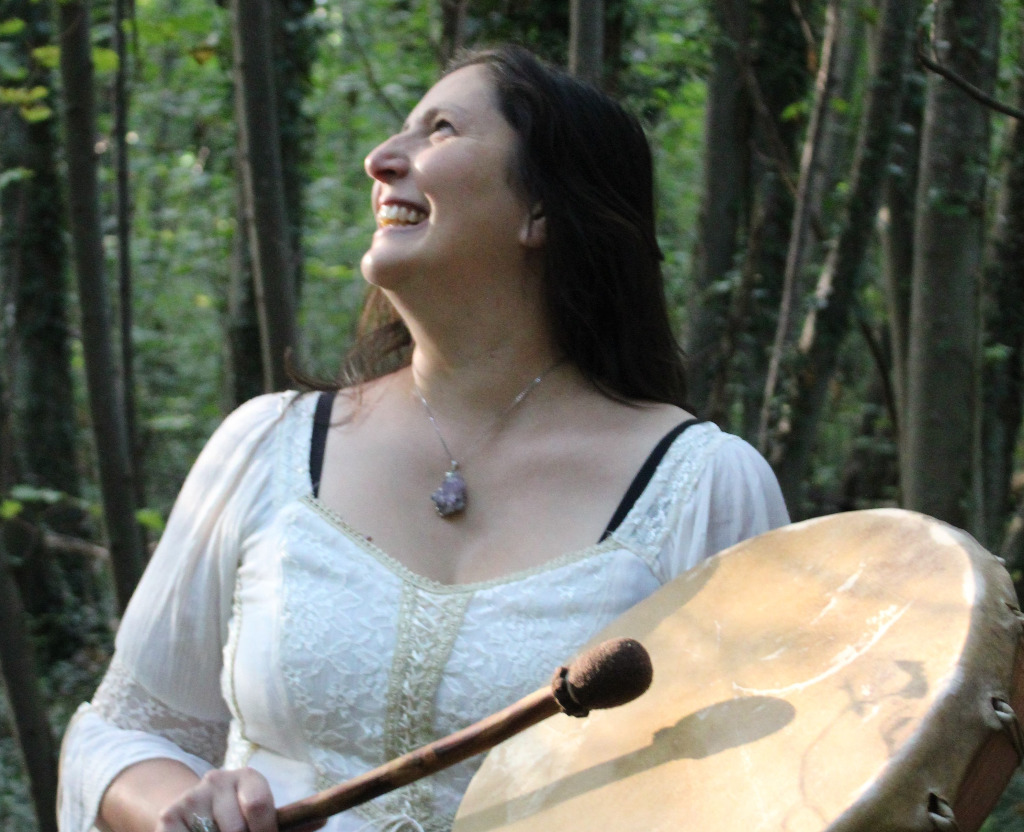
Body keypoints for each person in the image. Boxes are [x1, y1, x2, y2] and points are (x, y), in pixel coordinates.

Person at [58, 45, 788, 832]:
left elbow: (777, 789)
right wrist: (189, 809)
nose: (381, 159)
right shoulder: (266, 447)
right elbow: (126, 730)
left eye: (439, 130)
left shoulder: (703, 487)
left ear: (541, 209)